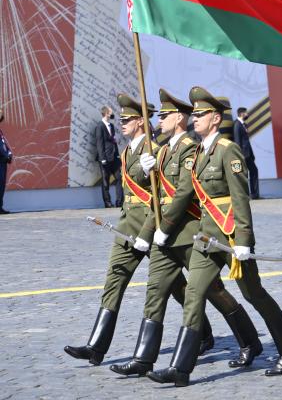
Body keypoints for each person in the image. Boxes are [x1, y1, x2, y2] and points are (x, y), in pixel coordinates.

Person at [147, 87, 282, 387]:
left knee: (253, 294)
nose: (195, 118)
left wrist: (243, 239)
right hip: (207, 236)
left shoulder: (228, 149)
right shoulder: (201, 151)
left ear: (215, 118)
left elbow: (240, 197)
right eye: (194, 114)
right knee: (194, 294)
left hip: (230, 235)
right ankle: (180, 368)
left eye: (201, 114)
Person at [111, 89, 259, 377]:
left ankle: (250, 341)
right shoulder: (162, 150)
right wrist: (148, 176)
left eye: (165, 116)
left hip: (189, 232)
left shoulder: (192, 147)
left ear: (178, 118)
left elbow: (183, 193)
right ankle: (144, 358)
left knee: (213, 291)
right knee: (155, 291)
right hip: (164, 234)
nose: (160, 120)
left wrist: (162, 228)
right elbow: (156, 196)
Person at [64, 94, 189, 366]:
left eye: (127, 119)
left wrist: (150, 172)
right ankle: (96, 347)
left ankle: (203, 334)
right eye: (120, 119)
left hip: (149, 224)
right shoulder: (127, 151)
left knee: (173, 285)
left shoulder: (154, 150)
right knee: (114, 280)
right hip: (127, 225)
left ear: (140, 122)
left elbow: (161, 193)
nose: (121, 123)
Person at [95, 106, 123, 207]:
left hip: (114, 157)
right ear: (106, 113)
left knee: (119, 178)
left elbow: (114, 142)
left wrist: (117, 155)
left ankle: (119, 202)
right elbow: (99, 143)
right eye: (111, 112)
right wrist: (102, 158)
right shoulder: (99, 126)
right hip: (105, 158)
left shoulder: (111, 126)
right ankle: (107, 202)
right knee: (105, 181)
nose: (112, 114)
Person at [233, 107, 259, 199]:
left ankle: (254, 194)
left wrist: (252, 154)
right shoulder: (237, 124)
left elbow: (246, 141)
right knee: (245, 174)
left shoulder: (243, 124)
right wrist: (239, 155)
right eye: (246, 113)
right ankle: (247, 194)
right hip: (243, 155)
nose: (247, 114)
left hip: (248, 154)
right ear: (241, 114)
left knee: (253, 171)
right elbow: (237, 141)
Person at [0, 107, 12, 215]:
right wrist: (5, 155)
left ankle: (0, 206)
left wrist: (9, 153)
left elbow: (4, 145)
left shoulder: (0, 131)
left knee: (1, 184)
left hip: (2, 162)